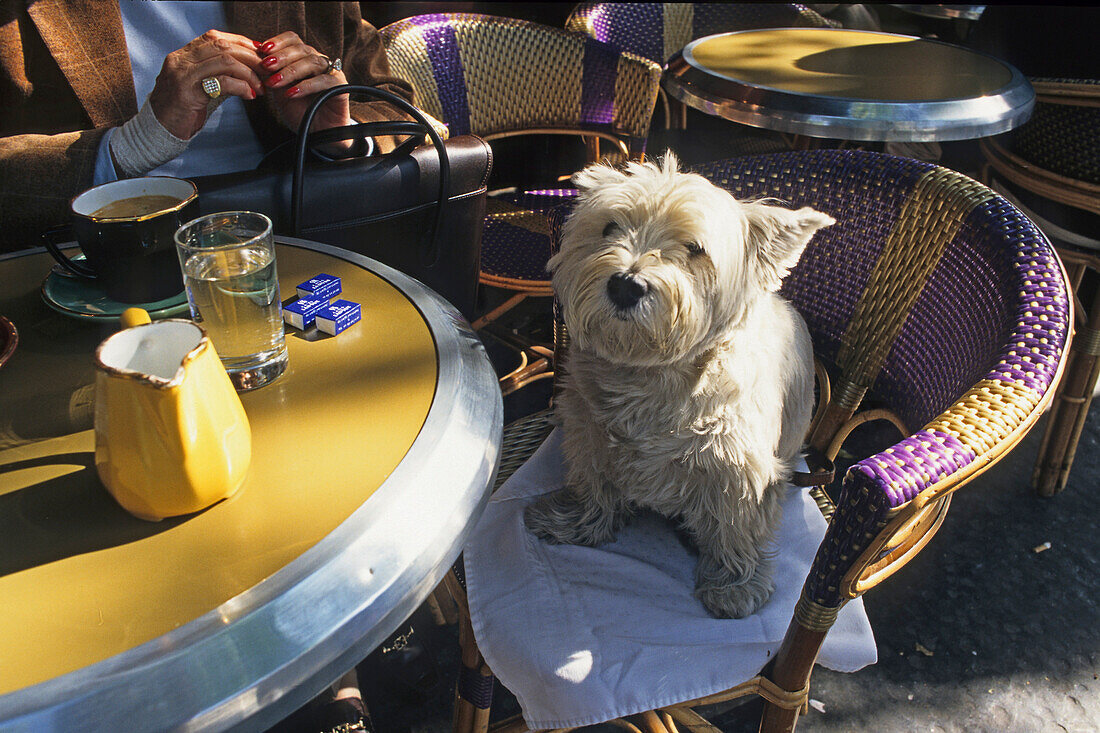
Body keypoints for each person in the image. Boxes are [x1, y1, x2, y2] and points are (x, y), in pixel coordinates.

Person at [0, 0, 415, 253]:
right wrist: (131, 146)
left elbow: (393, 103)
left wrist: (337, 132)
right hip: (101, 264)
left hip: (300, 237)